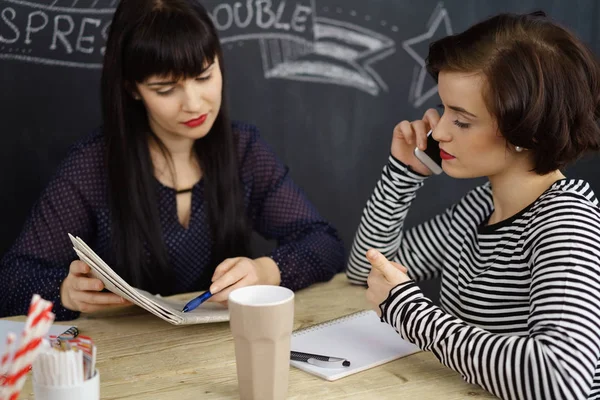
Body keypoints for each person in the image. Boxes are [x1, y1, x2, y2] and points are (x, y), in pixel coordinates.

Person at [0, 0, 345, 321]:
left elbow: (324, 243)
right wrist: (64, 291)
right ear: (132, 89)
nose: (194, 103)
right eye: (166, 89)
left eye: (204, 76)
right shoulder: (93, 166)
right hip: (124, 359)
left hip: (222, 351)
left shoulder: (244, 150)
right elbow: (12, 278)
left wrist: (266, 271)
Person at [347, 11, 600, 400]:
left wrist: (410, 312)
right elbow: (370, 269)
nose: (439, 131)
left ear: (525, 132)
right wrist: (404, 174)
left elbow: (562, 379)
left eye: (462, 121)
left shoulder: (566, 221)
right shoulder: (479, 206)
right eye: (444, 109)